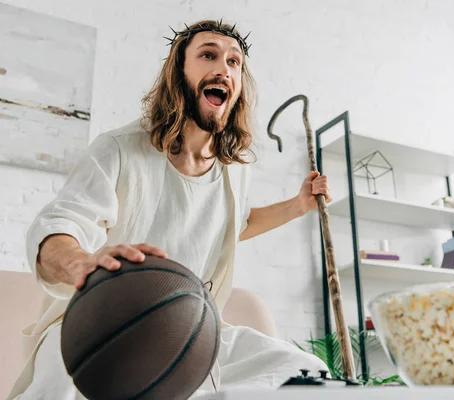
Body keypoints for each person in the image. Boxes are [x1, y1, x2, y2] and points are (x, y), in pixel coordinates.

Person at [8, 19, 330, 399]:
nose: (223, 69)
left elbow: (234, 225)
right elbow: (57, 228)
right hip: (106, 325)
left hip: (194, 328)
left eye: (234, 62)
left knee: (306, 372)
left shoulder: (234, 169)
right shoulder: (118, 149)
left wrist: (297, 206)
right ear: (179, 71)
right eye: (208, 54)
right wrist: (82, 263)